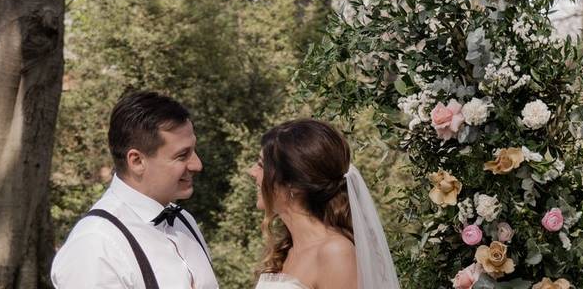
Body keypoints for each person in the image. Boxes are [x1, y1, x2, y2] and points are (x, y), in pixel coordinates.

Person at [51, 91, 219, 288]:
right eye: (182, 156)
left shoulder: (184, 220)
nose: (197, 165)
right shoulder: (95, 246)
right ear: (137, 161)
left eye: (193, 150)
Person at [248, 119, 400, 289]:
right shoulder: (286, 250)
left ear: (293, 184)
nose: (251, 172)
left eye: (261, 165)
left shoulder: (335, 252)